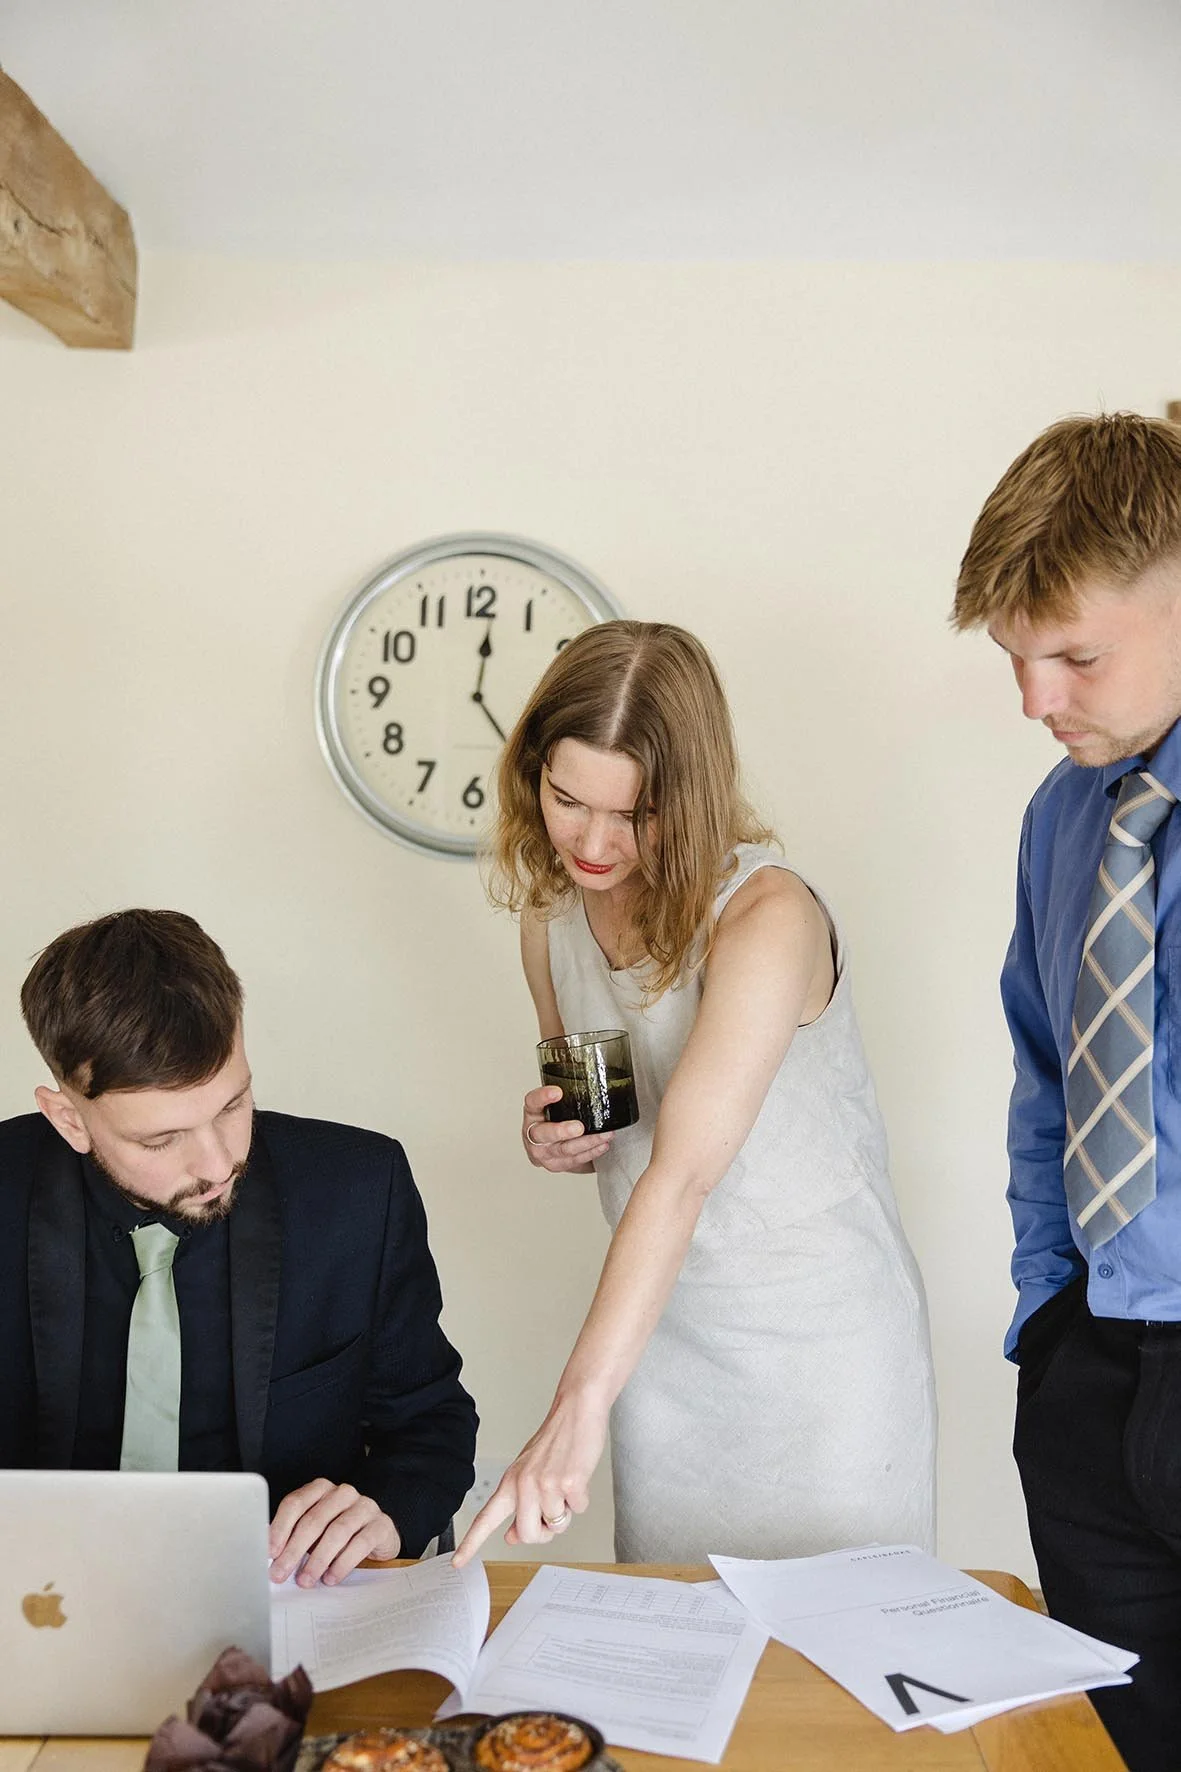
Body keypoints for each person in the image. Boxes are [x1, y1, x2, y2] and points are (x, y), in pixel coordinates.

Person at [454, 620, 936, 1566]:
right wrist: (555, 1137)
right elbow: (608, 1113)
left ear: (692, 796)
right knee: (677, 1644)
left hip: (817, 1346)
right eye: (565, 800)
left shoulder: (767, 917)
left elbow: (679, 1176)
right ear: (532, 776)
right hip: (659, 1337)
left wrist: (573, 1406)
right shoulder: (550, 919)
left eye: (633, 815)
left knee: (829, 1670)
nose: (592, 842)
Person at [1, 908, 476, 1586]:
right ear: (69, 1119)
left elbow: (430, 1422)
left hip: (283, 1602)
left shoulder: (358, 1191)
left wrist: (381, 1509)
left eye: (231, 1105)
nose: (220, 1163)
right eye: (160, 1140)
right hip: (39, 1601)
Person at [953, 411, 1181, 1772]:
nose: (1037, 701)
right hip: (1090, 1373)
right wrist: (1049, 1310)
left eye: (1074, 656)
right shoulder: (1061, 817)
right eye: (1014, 660)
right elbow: (1045, 1070)